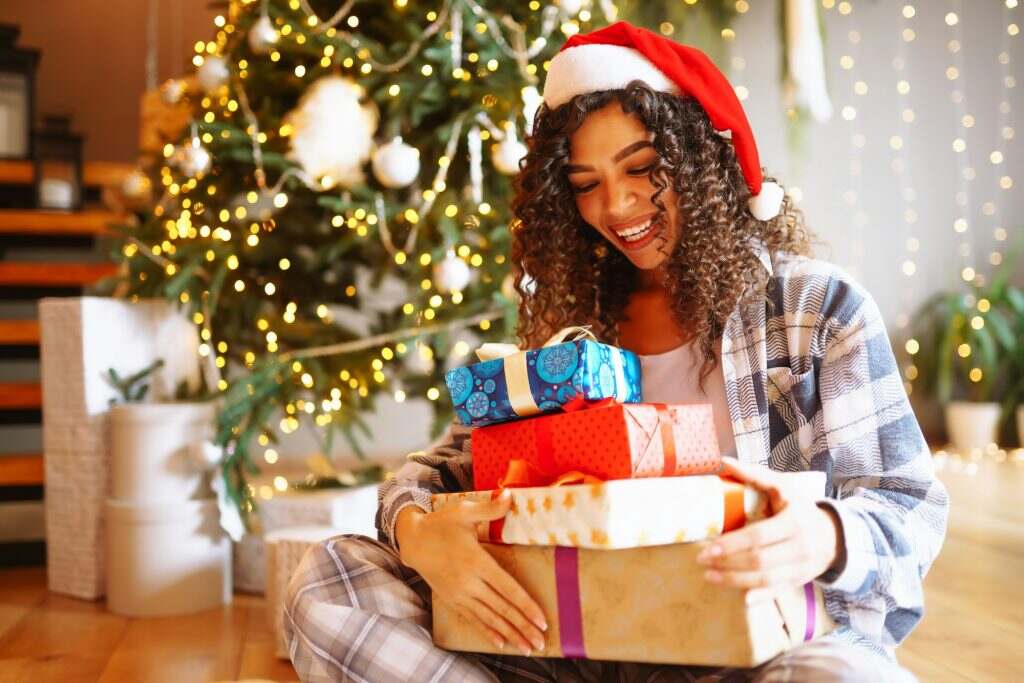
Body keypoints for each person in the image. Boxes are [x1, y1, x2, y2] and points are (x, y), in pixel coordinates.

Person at [283, 22, 948, 682]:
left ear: (699, 161)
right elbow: (445, 470)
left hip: (744, 650)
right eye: (585, 182)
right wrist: (420, 533)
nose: (617, 203)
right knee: (330, 578)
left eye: (641, 168)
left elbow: (905, 506)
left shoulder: (814, 310)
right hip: (570, 642)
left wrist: (822, 535)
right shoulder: (570, 331)